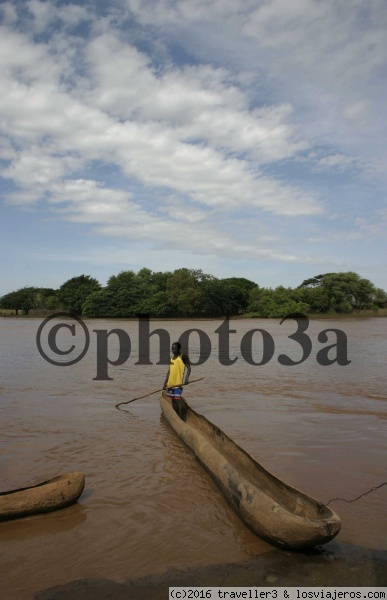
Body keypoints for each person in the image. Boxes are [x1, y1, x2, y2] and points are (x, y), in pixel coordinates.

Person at [163, 342, 191, 421]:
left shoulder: (183, 356)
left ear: (178, 349)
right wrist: (165, 383)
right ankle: (177, 417)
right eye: (172, 348)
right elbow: (169, 371)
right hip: (170, 384)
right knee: (173, 401)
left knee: (178, 400)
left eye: (174, 348)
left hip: (178, 384)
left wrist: (186, 378)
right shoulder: (171, 358)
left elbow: (189, 368)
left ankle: (182, 419)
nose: (173, 350)